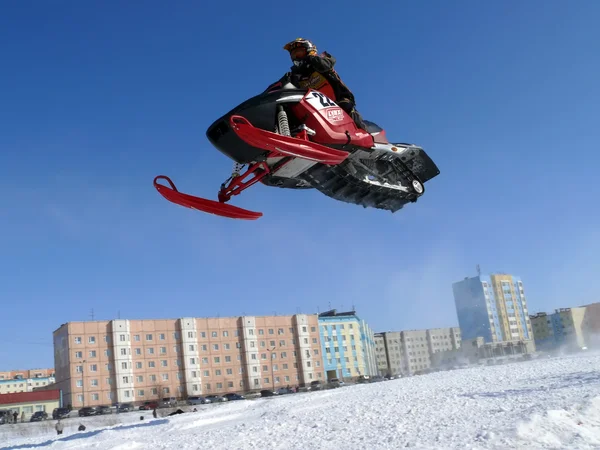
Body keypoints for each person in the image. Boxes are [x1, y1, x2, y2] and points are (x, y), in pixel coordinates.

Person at [274, 38, 367, 131]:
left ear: (309, 50)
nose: (296, 57)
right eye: (294, 54)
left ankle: (367, 138)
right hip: (317, 109)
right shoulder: (294, 75)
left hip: (339, 100)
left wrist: (311, 58)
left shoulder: (322, 58)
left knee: (346, 108)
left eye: (299, 53)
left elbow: (325, 65)